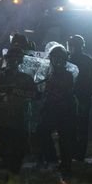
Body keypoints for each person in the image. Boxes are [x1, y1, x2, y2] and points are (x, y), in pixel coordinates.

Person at [0, 47, 37, 175]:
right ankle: (6, 161)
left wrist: (17, 91)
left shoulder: (26, 78)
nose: (13, 62)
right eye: (11, 59)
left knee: (19, 142)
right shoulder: (0, 77)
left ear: (20, 61)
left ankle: (16, 166)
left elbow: (34, 95)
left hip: (20, 115)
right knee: (1, 140)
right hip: (4, 115)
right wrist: (2, 95)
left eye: (16, 59)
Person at [35, 45, 76, 176]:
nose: (57, 61)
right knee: (42, 132)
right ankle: (52, 159)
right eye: (54, 58)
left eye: (60, 58)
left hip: (64, 111)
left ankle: (65, 164)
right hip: (52, 109)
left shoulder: (67, 75)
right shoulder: (51, 74)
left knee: (64, 138)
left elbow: (64, 91)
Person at [67, 35, 92, 160]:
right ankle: (80, 153)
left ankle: (73, 152)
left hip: (71, 96)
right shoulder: (89, 61)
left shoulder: (68, 60)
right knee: (82, 125)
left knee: (71, 125)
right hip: (84, 96)